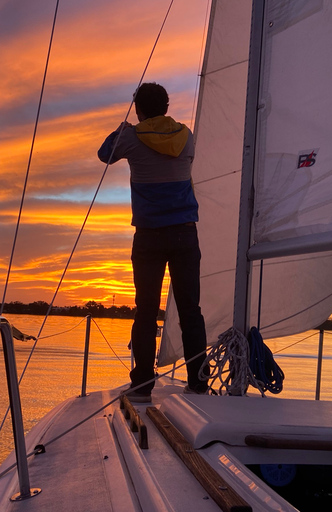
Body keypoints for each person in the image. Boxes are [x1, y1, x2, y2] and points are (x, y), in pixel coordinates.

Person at [98, 82, 208, 402]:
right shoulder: (186, 136)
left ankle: (143, 384)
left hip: (149, 236)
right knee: (190, 310)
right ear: (167, 107)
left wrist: (124, 128)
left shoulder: (131, 137)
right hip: (185, 233)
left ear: (139, 110)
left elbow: (105, 154)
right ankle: (198, 383)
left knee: (146, 310)